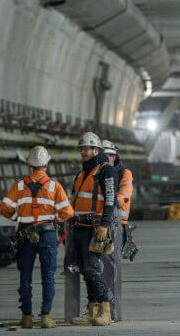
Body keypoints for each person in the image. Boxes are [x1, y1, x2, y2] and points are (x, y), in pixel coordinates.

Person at [0, 146, 73, 329]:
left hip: (24, 234)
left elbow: (4, 208)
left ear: (29, 164)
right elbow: (68, 212)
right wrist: (54, 219)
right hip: (47, 233)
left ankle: (26, 318)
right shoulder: (54, 186)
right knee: (48, 276)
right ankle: (46, 317)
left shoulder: (19, 186)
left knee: (25, 277)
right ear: (46, 164)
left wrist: (17, 217)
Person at [68, 132, 120, 327]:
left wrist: (105, 226)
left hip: (96, 227)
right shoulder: (82, 174)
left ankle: (105, 309)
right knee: (85, 269)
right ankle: (92, 310)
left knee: (93, 269)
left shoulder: (106, 171)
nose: (83, 151)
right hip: (79, 226)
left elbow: (110, 200)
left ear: (96, 150)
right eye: (81, 148)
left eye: (87, 148)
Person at [101, 140, 135, 253]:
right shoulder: (98, 173)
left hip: (117, 225)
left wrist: (113, 201)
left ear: (114, 156)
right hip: (100, 223)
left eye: (107, 156)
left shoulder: (124, 173)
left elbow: (125, 193)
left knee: (110, 261)